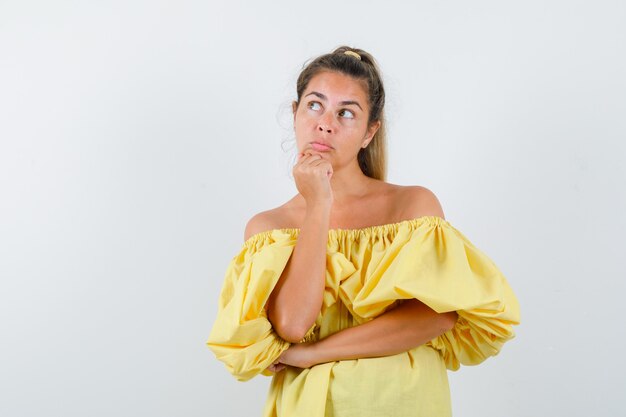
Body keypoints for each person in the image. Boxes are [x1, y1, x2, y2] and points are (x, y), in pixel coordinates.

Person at [206, 46, 520, 417]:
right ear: (294, 114)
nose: (326, 123)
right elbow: (292, 324)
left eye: (346, 113)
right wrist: (318, 204)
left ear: (370, 132)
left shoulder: (412, 208)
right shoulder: (267, 229)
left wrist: (312, 354)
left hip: (402, 403)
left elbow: (437, 316)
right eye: (314, 105)